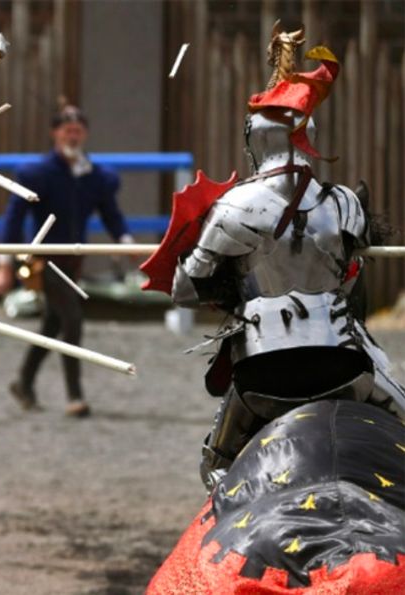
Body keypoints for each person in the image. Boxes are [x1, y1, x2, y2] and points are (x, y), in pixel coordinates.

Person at [162, 40, 405, 490]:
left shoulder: (232, 208)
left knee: (214, 467)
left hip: (261, 378)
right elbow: (355, 275)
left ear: (255, 139)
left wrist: (237, 286)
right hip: (344, 370)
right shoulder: (345, 203)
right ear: (309, 137)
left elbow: (184, 289)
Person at [0, 105, 134, 417]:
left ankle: (24, 381)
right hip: (44, 260)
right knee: (72, 320)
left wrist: (126, 242)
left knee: (53, 324)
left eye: (78, 130)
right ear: (55, 133)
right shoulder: (38, 174)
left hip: (72, 261)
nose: (73, 134)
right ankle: (75, 395)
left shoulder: (93, 176)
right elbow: (13, 219)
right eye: (67, 130)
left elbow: (111, 214)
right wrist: (4, 263)